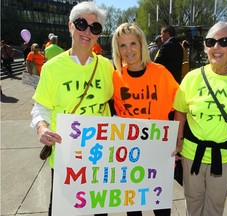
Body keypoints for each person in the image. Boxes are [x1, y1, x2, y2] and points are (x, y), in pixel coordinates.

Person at [30, 2, 114, 216]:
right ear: (70, 26)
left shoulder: (107, 66)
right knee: (63, 211)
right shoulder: (52, 67)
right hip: (65, 156)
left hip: (99, 156)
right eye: (81, 24)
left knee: (99, 211)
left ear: (99, 34)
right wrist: (41, 128)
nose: (87, 31)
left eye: (95, 28)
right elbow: (41, 107)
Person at [172, 21, 227, 216]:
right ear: (205, 47)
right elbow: (180, 111)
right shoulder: (192, 77)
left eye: (223, 41)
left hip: (226, 156)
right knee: (192, 204)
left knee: (215, 207)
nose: (216, 47)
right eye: (211, 42)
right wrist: (178, 141)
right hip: (191, 154)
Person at [112, 22, 179, 216]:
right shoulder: (115, 77)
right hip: (129, 156)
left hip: (158, 153)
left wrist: (178, 138)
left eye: (133, 43)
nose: (128, 50)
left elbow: (181, 108)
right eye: (122, 45)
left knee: (161, 210)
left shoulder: (161, 74)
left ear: (141, 44)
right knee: (133, 210)